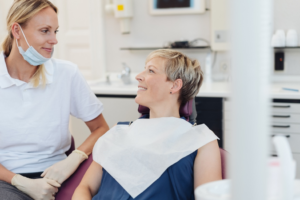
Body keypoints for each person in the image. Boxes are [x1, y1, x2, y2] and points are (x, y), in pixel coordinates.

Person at [72, 49, 222, 200]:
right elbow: (85, 188)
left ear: (175, 85)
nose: (138, 76)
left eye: (151, 71)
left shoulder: (201, 141)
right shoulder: (120, 131)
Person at [0, 1, 109, 200]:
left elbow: (101, 128)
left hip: (61, 174)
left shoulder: (66, 74)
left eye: (55, 31)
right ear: (16, 30)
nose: (54, 40)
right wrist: (20, 182)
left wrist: (74, 159)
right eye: (45, 31)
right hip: (7, 179)